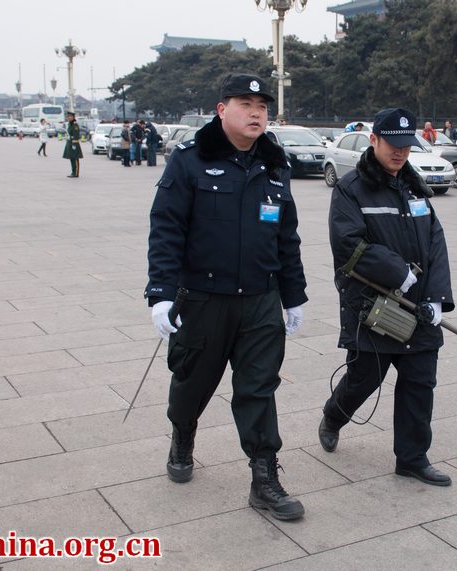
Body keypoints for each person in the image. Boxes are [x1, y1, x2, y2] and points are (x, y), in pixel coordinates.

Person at [145, 72, 308, 521]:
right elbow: (166, 228)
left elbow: (286, 237)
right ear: (221, 110)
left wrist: (293, 296)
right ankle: (183, 433)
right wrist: (160, 294)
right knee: (191, 382)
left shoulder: (276, 163)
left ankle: (264, 478)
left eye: (262, 106)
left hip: (259, 299)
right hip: (202, 297)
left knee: (258, 388)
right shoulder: (190, 159)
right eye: (245, 103)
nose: (257, 112)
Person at [318, 108, 455, 486]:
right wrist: (400, 274)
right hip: (373, 305)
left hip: (420, 306)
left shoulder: (414, 187)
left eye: (406, 146)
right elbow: (348, 245)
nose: (400, 153)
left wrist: (438, 297)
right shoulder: (351, 188)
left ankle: (412, 458)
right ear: (374, 140)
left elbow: (436, 241)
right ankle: (334, 415)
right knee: (364, 379)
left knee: (420, 382)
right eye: (393, 145)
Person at [62, 112, 83, 177]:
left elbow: (76, 135)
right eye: (68, 116)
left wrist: (74, 144)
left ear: (73, 117)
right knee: (71, 158)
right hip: (70, 142)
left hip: (74, 143)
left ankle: (76, 173)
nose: (68, 118)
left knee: (75, 158)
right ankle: (73, 172)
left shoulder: (75, 124)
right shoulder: (70, 124)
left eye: (70, 116)